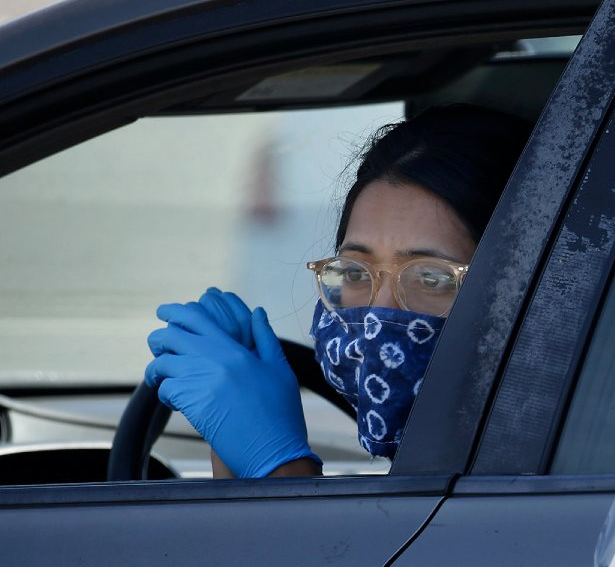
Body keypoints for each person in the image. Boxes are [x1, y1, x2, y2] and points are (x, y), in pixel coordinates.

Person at [145, 104, 532, 477]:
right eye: (355, 272)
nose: (379, 312)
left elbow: (332, 548)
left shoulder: (541, 469)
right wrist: (230, 445)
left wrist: (280, 467)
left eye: (430, 279)